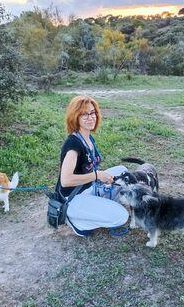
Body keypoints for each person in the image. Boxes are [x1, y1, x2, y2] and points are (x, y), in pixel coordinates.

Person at [55, 95, 129, 236]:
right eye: (84, 114)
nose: (90, 117)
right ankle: (77, 222)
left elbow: (89, 168)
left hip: (90, 186)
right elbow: (66, 181)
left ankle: (97, 205)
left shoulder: (87, 137)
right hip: (73, 198)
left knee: (123, 171)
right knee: (121, 217)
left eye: (92, 112)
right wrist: (97, 175)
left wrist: (99, 177)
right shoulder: (73, 144)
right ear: (75, 117)